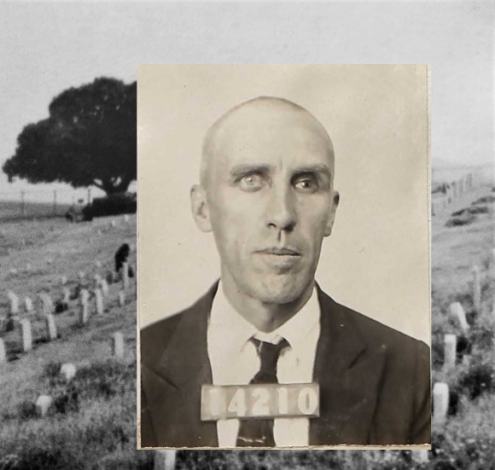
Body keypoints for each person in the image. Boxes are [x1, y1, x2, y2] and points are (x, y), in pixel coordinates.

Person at [139, 97, 430, 448]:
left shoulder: (411, 372)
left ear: (331, 213)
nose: (282, 215)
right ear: (203, 208)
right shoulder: (141, 365)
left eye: (306, 183)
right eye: (251, 180)